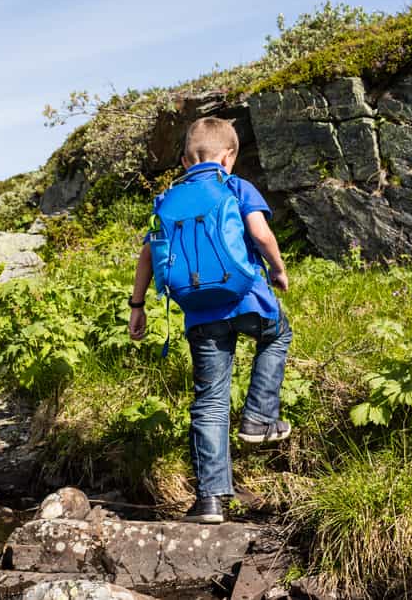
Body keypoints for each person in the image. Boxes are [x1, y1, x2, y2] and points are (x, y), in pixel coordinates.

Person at [127, 116, 293, 525]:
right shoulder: (235, 186)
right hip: (248, 301)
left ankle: (211, 501)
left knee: (211, 402)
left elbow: (148, 255)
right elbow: (260, 233)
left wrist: (137, 306)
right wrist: (278, 268)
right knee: (278, 334)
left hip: (199, 314)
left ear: (185, 160)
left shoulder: (165, 200)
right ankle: (259, 417)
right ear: (228, 156)